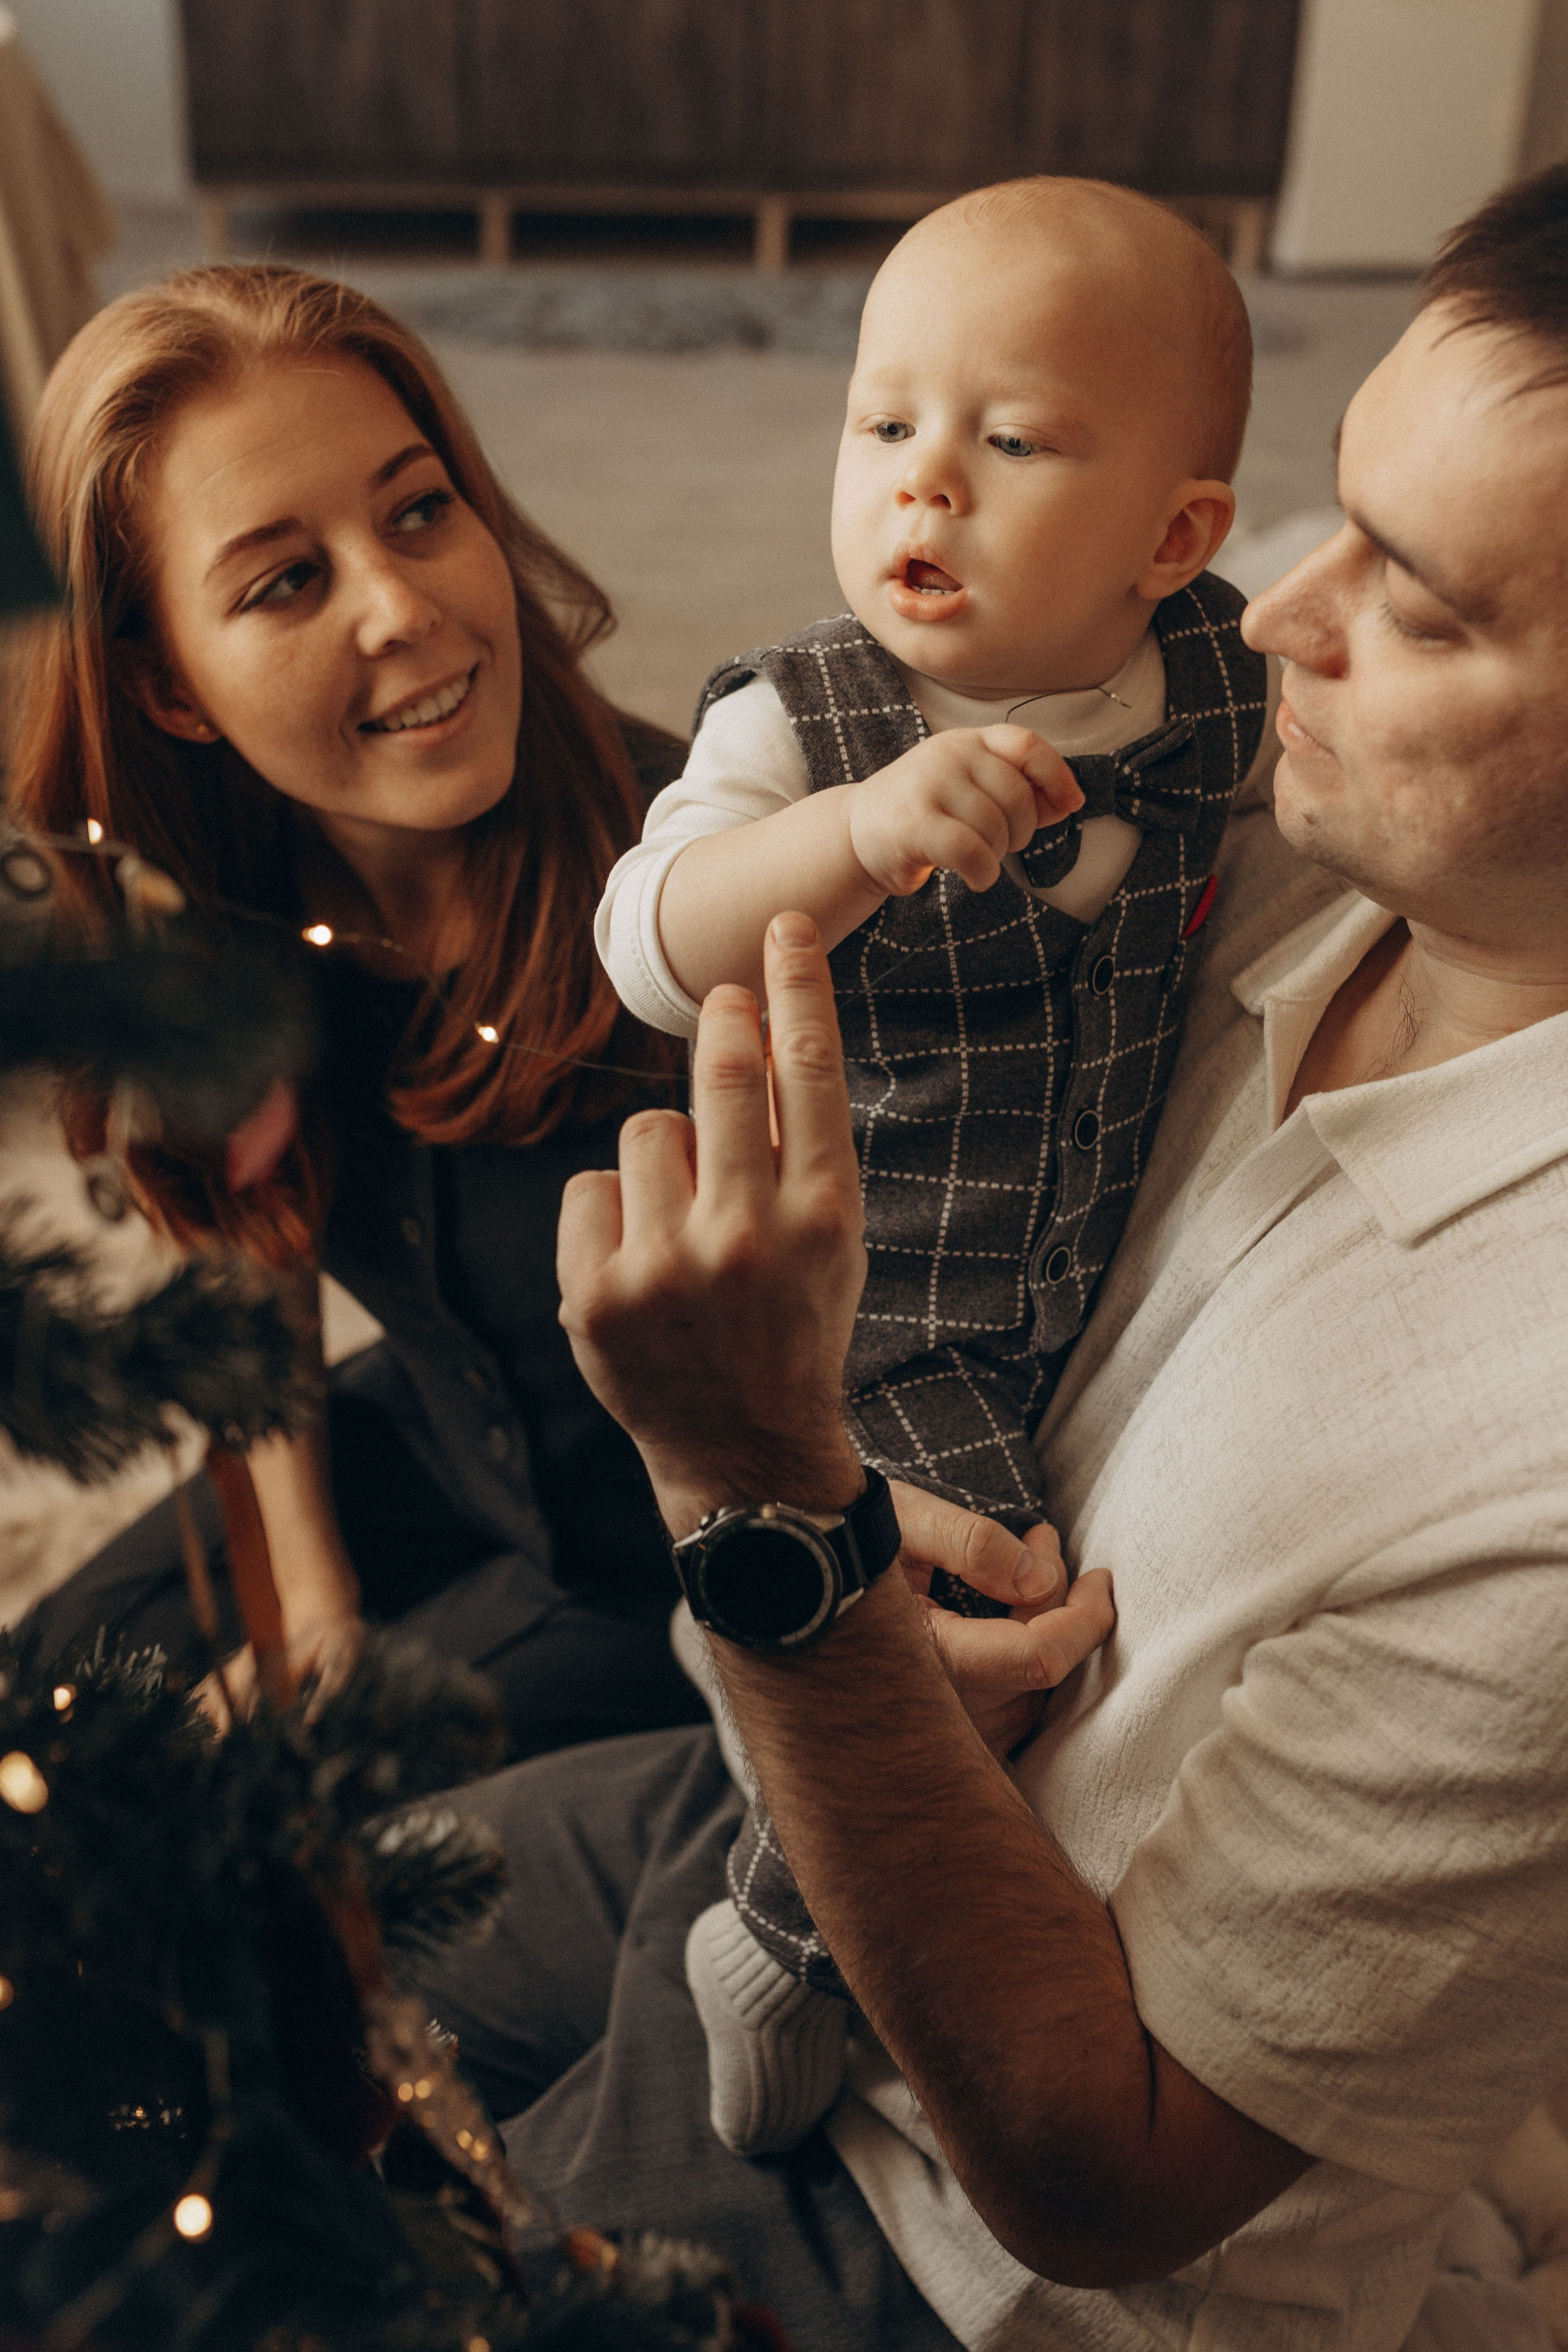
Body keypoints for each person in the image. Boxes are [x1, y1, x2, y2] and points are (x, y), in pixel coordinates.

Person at [405, 162, 1568, 2352]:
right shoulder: (1303, 865)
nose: (1279, 621)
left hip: (940, 2229)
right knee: (200, 1951)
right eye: (1328, 520)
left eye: (1416, 604)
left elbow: (1096, 2182)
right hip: (801, 1760)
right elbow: (674, 912)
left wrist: (761, 1512)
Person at [597, 175, 1280, 2154]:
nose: (926, 488)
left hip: (1078, 1278)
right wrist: (865, 832)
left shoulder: (1222, 684)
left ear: (1175, 537)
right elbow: (647, 943)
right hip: (860, 1312)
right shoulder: (807, 725)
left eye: (1012, 439)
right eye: (884, 424)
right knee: (968, 1661)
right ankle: (779, 1936)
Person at [6, 261, 703, 1752]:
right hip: (438, 1436)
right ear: (168, 694)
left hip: (666, 1572)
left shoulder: (702, 887)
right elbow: (247, 1245)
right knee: (54, 1679)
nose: (405, 609)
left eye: (418, 510)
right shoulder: (215, 913)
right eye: (286, 579)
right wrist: (308, 1600)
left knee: (299, 1814)